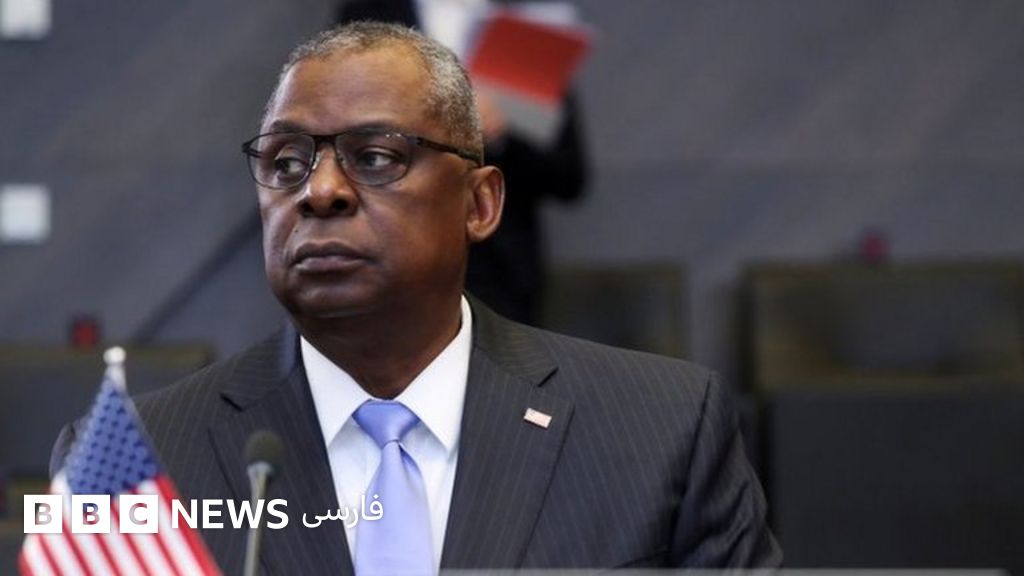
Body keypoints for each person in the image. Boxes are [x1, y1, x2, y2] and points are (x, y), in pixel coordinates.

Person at [52, 22, 780, 574]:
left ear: (480, 203)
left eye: (376, 157)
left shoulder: (661, 431)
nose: (321, 191)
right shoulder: (133, 461)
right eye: (286, 162)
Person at [336, 0, 590, 325]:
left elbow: (568, 173)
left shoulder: (529, 24)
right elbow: (342, 130)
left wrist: (503, 133)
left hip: (501, 272)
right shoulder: (370, 11)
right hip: (392, 254)